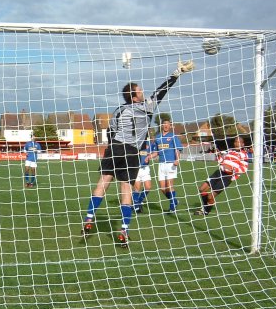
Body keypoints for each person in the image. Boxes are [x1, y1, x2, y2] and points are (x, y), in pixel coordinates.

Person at [81, 60, 194, 248]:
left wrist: (113, 146)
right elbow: (162, 90)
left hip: (114, 148)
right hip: (132, 152)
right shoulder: (147, 107)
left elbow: (110, 132)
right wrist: (177, 72)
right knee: (126, 189)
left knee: (103, 182)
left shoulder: (119, 110)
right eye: (140, 91)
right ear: (134, 96)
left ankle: (89, 217)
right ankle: (124, 229)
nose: (142, 92)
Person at [194, 136, 248, 215]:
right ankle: (206, 206)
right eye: (236, 142)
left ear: (243, 144)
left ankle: (205, 211)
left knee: (210, 197)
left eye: (239, 142)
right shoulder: (230, 151)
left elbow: (244, 168)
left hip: (227, 177)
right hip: (218, 172)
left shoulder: (243, 154)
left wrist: (232, 169)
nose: (237, 144)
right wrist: (219, 155)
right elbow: (222, 161)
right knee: (202, 189)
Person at [151, 119, 183, 213]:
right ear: (162, 125)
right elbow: (156, 152)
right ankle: (175, 201)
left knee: (169, 185)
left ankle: (172, 208)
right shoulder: (158, 137)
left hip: (171, 163)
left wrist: (177, 159)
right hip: (161, 164)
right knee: (162, 188)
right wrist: (149, 156)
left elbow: (177, 149)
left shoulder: (173, 136)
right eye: (164, 124)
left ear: (170, 126)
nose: (165, 125)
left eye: (167, 124)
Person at [132, 138, 156, 214]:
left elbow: (155, 152)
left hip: (145, 168)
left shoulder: (149, 142)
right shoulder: (134, 141)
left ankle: (138, 202)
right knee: (137, 189)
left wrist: (149, 157)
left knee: (148, 187)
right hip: (136, 168)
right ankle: (136, 207)